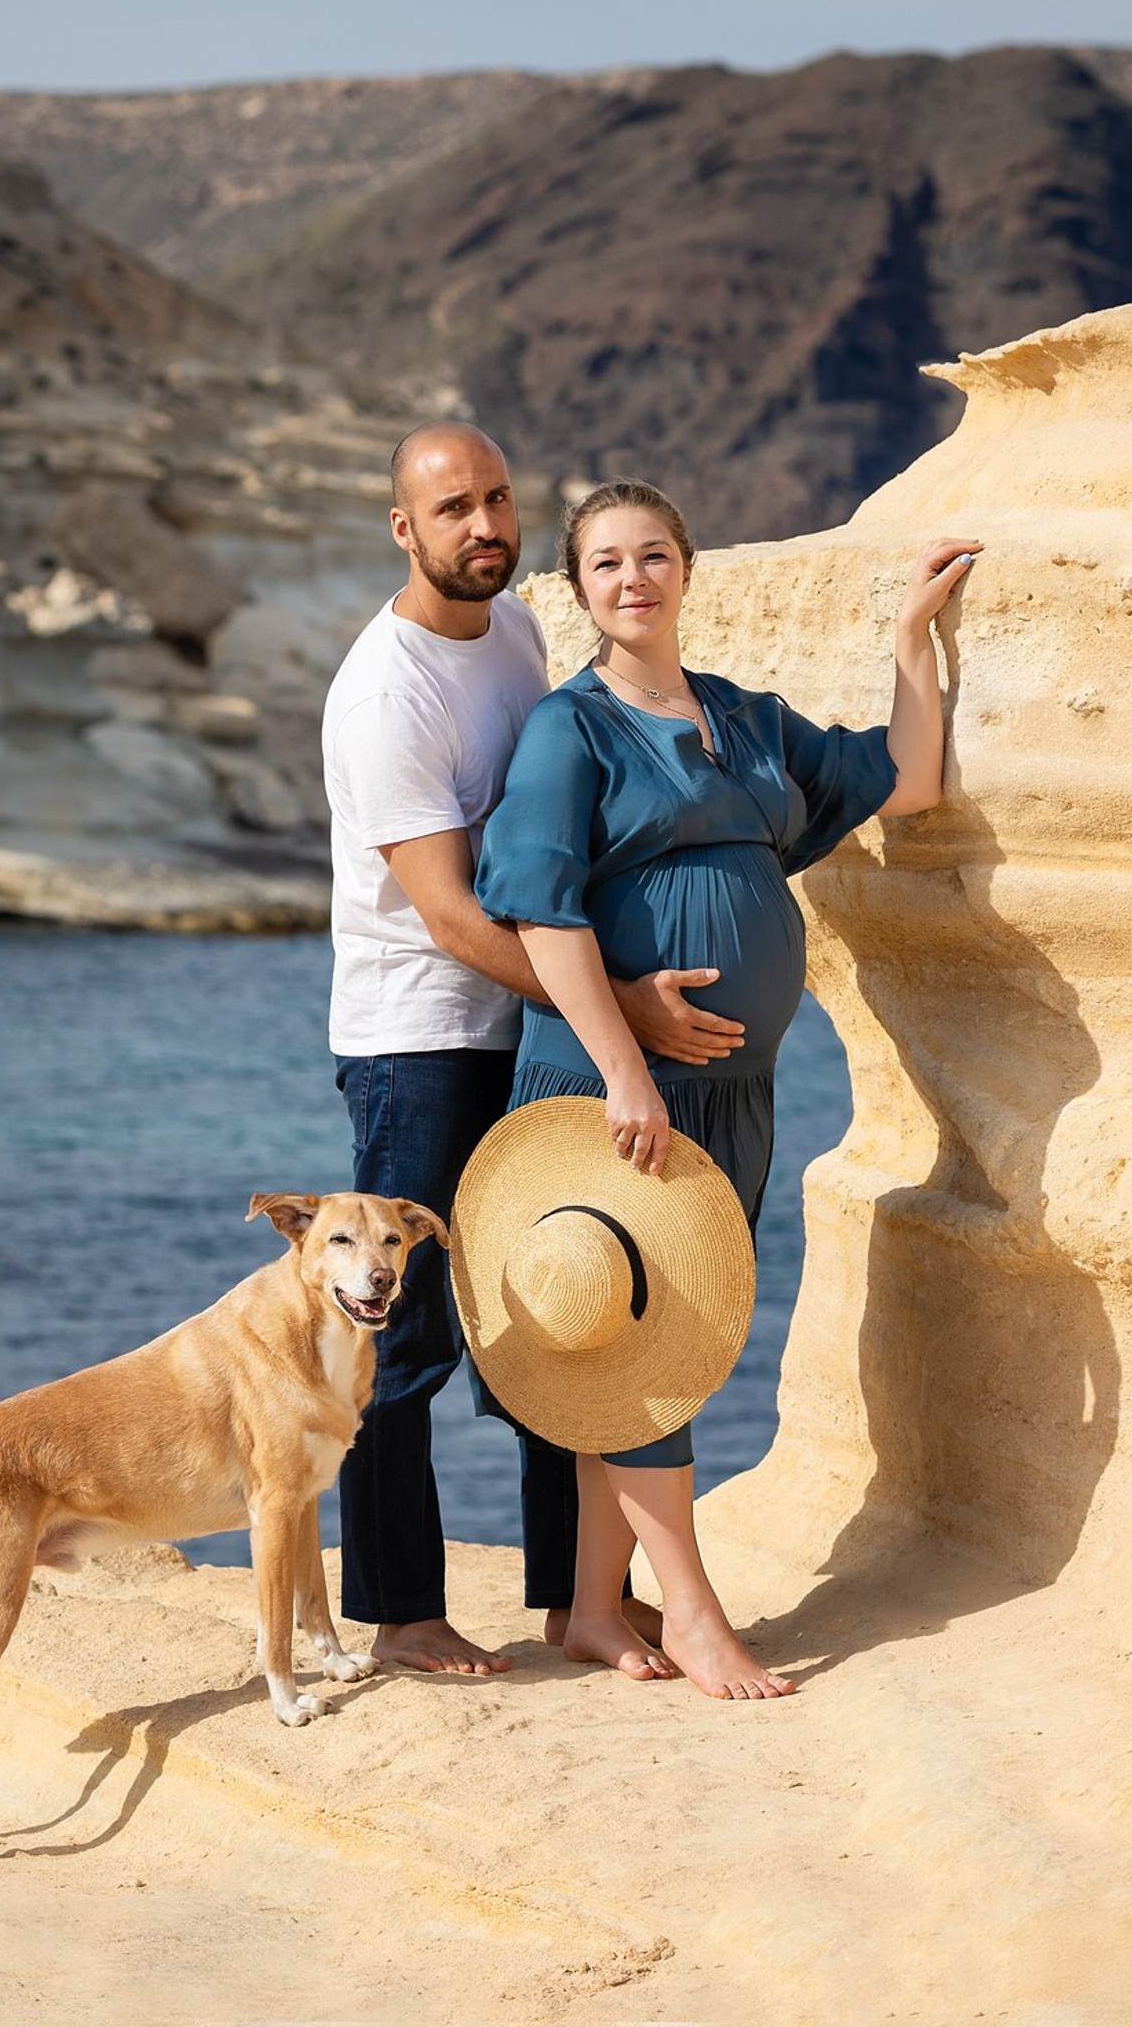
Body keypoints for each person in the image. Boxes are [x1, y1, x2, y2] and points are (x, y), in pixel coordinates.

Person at [473, 478, 975, 1698]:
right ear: (581, 591)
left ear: (688, 572)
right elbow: (542, 912)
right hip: (613, 1094)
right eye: (605, 564)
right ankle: (691, 1615)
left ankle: (593, 1605)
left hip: (732, 1092)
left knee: (641, 1334)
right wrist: (625, 1068)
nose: (633, 579)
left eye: (653, 556)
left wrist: (909, 640)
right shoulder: (568, 730)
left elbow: (906, 781)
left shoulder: (747, 720)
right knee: (654, 1339)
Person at [321, 425, 749, 1678]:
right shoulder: (384, 689)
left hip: (526, 1026)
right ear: (404, 529)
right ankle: (401, 1611)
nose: (484, 525)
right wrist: (617, 1009)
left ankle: (577, 1602)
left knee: (563, 1300)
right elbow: (452, 915)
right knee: (407, 1334)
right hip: (419, 1040)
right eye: (452, 507)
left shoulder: (511, 627)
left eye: (497, 498)